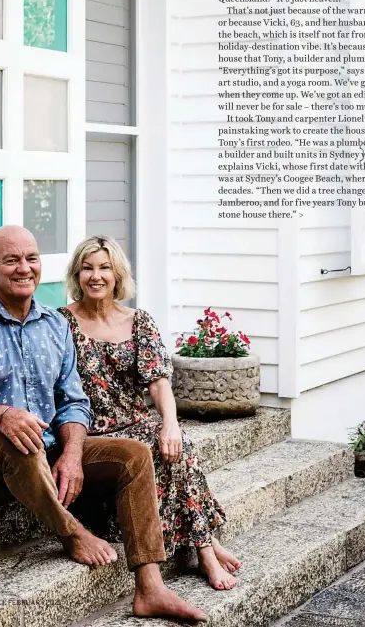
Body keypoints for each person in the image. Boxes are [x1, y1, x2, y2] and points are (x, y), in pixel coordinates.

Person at [0, 225, 206, 623]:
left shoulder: (54, 325)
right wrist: (1, 415)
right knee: (19, 439)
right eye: (11, 260)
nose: (24, 268)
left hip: (45, 451)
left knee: (133, 453)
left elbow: (74, 402)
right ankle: (72, 532)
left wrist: (74, 453)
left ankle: (151, 587)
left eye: (32, 258)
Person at [59, 235, 241, 592]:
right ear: (77, 275)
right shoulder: (61, 323)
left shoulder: (138, 321)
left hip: (137, 422)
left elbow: (159, 382)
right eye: (87, 268)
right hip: (94, 431)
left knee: (176, 443)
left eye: (105, 268)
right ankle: (205, 546)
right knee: (157, 451)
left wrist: (170, 424)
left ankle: (201, 544)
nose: (96, 276)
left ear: (117, 274)